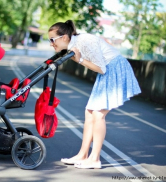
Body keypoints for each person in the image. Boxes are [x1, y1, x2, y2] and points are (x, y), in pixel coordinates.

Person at [48, 20, 141, 169]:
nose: (51, 43)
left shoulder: (85, 41)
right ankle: (83, 155)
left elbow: (101, 68)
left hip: (114, 69)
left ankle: (95, 158)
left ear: (64, 37)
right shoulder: (74, 44)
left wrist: (80, 60)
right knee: (89, 112)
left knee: (98, 114)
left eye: (52, 40)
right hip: (107, 72)